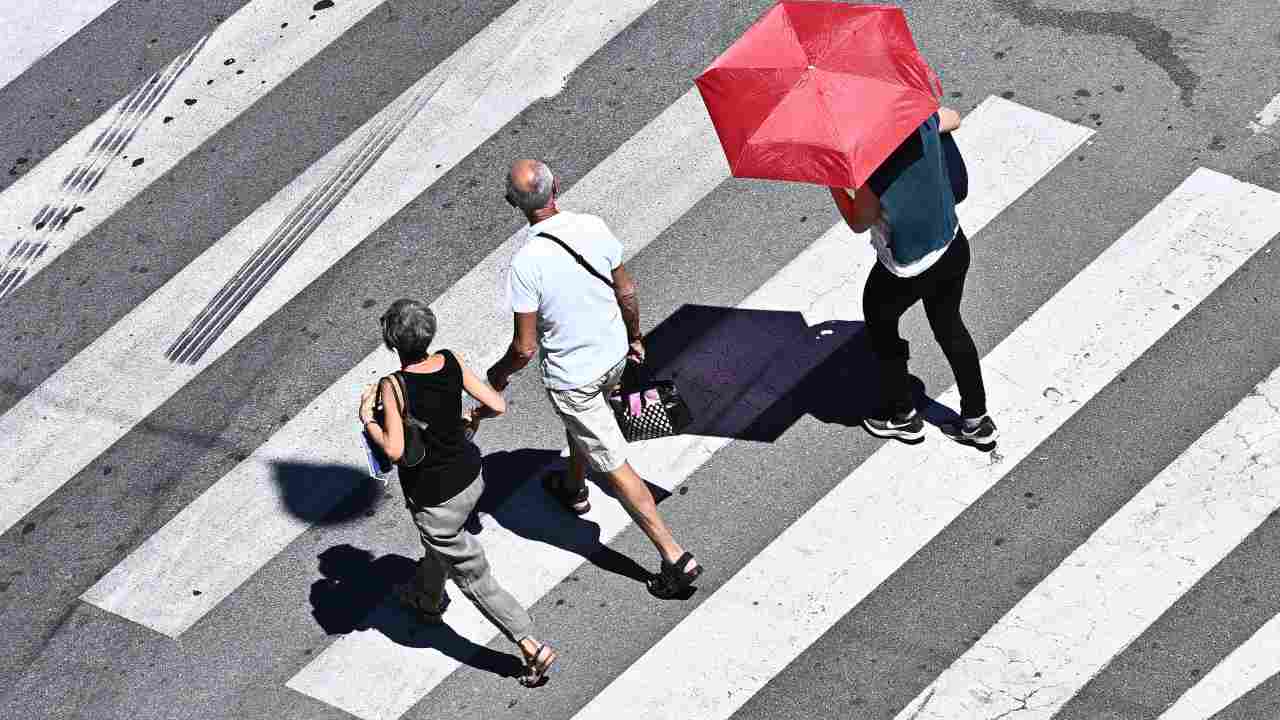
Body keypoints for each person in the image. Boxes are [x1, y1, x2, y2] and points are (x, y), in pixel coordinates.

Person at [482, 159, 702, 599]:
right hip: (615, 354)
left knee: (614, 462)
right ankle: (574, 487)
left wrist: (496, 376)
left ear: (513, 203)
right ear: (556, 187)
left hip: (573, 377)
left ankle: (673, 555)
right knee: (585, 422)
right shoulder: (592, 226)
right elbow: (627, 290)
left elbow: (524, 348)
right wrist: (635, 336)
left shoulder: (526, 264)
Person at [359, 299, 557, 687]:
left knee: (473, 575)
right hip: (471, 476)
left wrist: (369, 419)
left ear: (391, 342)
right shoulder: (450, 360)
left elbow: (395, 450)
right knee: (442, 545)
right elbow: (496, 404)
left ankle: (530, 645)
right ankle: (427, 598)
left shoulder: (394, 386)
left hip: (436, 499)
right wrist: (468, 419)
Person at [830, 106, 998, 445]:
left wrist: (833, 181)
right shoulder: (920, 121)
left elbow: (859, 221)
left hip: (907, 270)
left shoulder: (869, 169)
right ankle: (976, 419)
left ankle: (901, 414)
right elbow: (953, 118)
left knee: (880, 322)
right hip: (952, 246)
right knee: (950, 327)